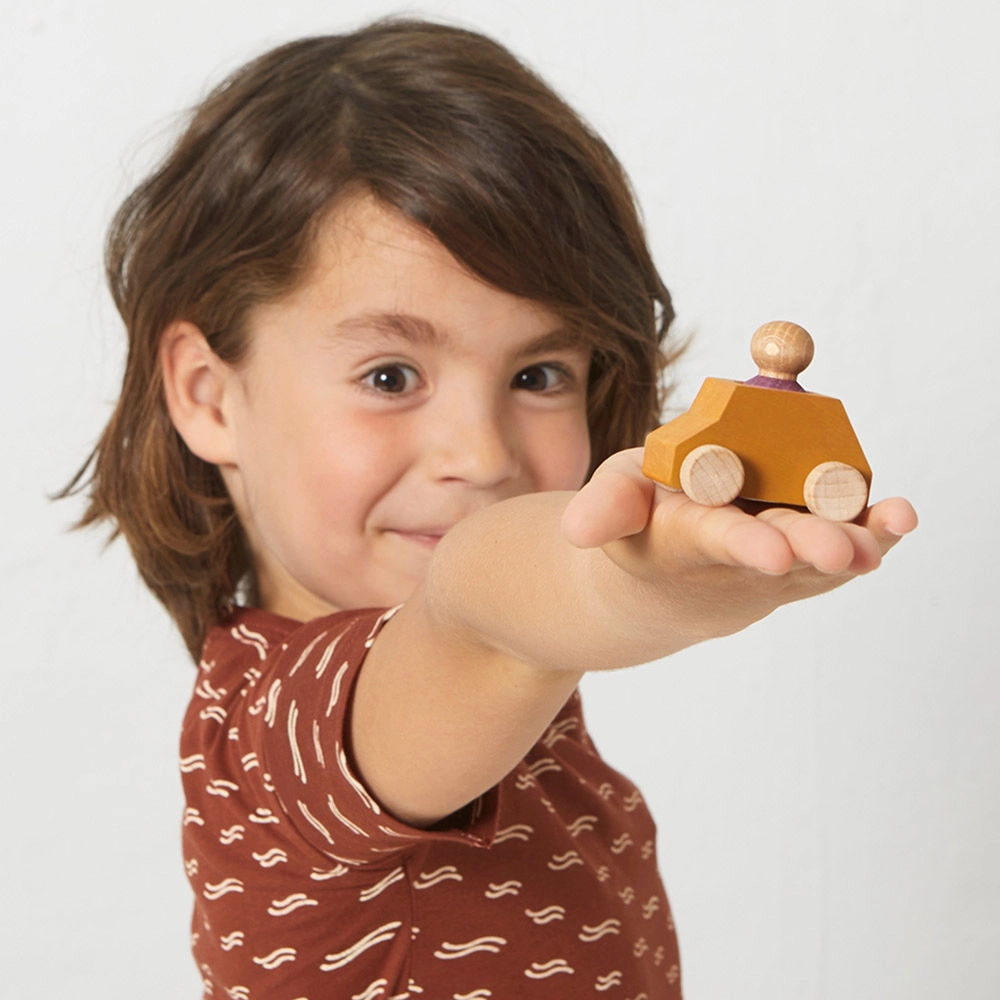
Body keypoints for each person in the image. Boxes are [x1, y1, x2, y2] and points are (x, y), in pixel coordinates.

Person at [63, 17, 916, 999]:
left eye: (539, 371)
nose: (481, 453)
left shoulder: (516, 717)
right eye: (390, 374)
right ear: (211, 397)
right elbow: (476, 615)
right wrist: (633, 580)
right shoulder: (277, 735)